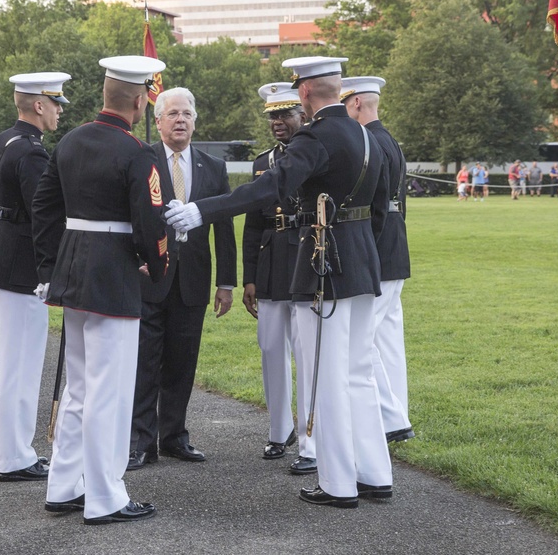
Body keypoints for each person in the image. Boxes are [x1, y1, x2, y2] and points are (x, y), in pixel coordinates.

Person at [166, 55, 392, 509]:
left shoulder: (317, 136)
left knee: (325, 376)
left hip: (324, 264)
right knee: (359, 373)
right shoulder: (367, 136)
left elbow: (271, 187)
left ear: (304, 92)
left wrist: (202, 209)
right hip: (363, 263)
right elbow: (382, 207)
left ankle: (338, 484)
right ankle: (374, 474)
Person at [32, 55, 169, 524]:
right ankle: (105, 496)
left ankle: (64, 485)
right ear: (139, 100)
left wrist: (53, 263)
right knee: (108, 391)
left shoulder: (69, 141)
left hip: (74, 272)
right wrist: (157, 265)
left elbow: (44, 207)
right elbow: (150, 223)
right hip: (113, 275)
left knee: (79, 387)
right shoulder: (137, 152)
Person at [127, 87, 237, 471]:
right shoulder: (142, 160)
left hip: (192, 281)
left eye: (186, 113)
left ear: (195, 120)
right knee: (146, 362)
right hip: (149, 278)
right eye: (171, 113)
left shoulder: (214, 167)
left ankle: (174, 436)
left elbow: (224, 227)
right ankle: (141, 441)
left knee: (182, 362)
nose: (180, 120)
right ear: (157, 121)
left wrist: (226, 282)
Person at [0, 71, 71, 482]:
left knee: (12, 363)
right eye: (56, 103)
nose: (61, 110)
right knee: (23, 364)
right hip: (21, 266)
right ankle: (15, 457)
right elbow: (43, 216)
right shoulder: (31, 153)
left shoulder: (3, 140)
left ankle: (3, 450)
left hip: (2, 256)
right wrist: (58, 267)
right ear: (38, 104)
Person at [241, 82, 314, 473]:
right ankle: (278, 430)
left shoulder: (316, 154)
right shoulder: (262, 162)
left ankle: (309, 439)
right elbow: (253, 224)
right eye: (273, 116)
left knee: (305, 352)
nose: (278, 122)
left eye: (285, 114)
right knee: (271, 348)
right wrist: (249, 276)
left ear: (303, 114)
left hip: (303, 253)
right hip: (271, 260)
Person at [342, 76, 415, 445]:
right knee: (388, 340)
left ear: (356, 103)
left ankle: (392, 418)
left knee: (363, 339)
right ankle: (396, 408)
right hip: (396, 248)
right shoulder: (391, 140)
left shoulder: (368, 141)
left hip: (379, 249)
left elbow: (374, 208)